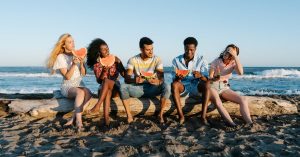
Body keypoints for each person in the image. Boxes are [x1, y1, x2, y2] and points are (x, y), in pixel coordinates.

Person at [47, 33, 92, 131]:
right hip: (67, 86)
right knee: (80, 92)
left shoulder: (75, 54)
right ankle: (79, 122)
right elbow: (67, 77)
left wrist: (81, 63)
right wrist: (74, 65)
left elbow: (83, 74)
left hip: (79, 83)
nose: (73, 44)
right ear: (63, 45)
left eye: (73, 41)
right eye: (70, 42)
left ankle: (73, 118)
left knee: (88, 93)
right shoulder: (61, 57)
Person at [119, 37, 171, 123]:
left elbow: (162, 78)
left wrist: (157, 81)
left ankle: (160, 114)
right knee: (122, 87)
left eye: (152, 49)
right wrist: (134, 80)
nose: (151, 52)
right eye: (148, 50)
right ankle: (129, 115)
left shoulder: (157, 59)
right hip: (138, 89)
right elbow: (127, 79)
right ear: (141, 49)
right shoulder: (133, 60)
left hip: (152, 88)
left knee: (167, 86)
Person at [86, 38, 132, 126]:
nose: (107, 50)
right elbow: (99, 81)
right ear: (99, 52)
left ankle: (98, 106)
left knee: (107, 83)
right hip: (103, 89)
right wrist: (103, 71)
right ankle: (106, 121)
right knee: (107, 88)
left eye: (107, 48)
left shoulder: (115, 60)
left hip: (116, 87)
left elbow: (124, 75)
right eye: (104, 49)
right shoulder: (97, 64)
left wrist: (120, 63)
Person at [208, 44, 253, 126]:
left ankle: (250, 123)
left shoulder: (233, 63)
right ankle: (232, 124)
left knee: (243, 99)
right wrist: (215, 77)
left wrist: (235, 57)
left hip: (224, 87)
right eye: (226, 50)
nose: (227, 53)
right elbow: (210, 77)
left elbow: (240, 73)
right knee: (218, 103)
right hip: (212, 86)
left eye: (230, 52)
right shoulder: (216, 61)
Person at [171, 37, 210, 124]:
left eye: (192, 50)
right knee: (174, 85)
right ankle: (181, 116)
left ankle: (203, 116)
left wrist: (200, 75)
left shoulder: (202, 59)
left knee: (207, 84)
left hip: (197, 86)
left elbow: (207, 78)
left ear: (195, 49)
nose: (189, 52)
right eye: (187, 49)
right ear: (184, 48)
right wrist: (178, 78)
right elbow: (174, 78)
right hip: (183, 86)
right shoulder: (176, 60)